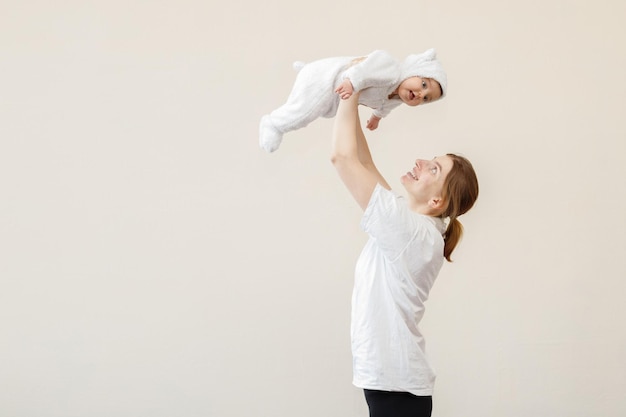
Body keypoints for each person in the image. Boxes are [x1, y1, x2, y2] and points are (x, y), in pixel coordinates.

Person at [330, 92, 479, 417]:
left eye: (434, 169)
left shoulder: (411, 233)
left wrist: (348, 89)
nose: (421, 163)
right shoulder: (412, 226)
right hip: (397, 386)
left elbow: (343, 159)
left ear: (437, 202)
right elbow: (364, 163)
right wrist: (350, 100)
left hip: (397, 390)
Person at [259, 48, 447, 153]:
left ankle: (277, 123)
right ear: (412, 69)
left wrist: (376, 117)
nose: (421, 95)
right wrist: (352, 81)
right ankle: (273, 124)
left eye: (426, 98)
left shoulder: (397, 97)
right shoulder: (391, 68)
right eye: (423, 84)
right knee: (304, 112)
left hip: (336, 88)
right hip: (325, 77)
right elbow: (365, 68)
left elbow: (384, 106)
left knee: (319, 110)